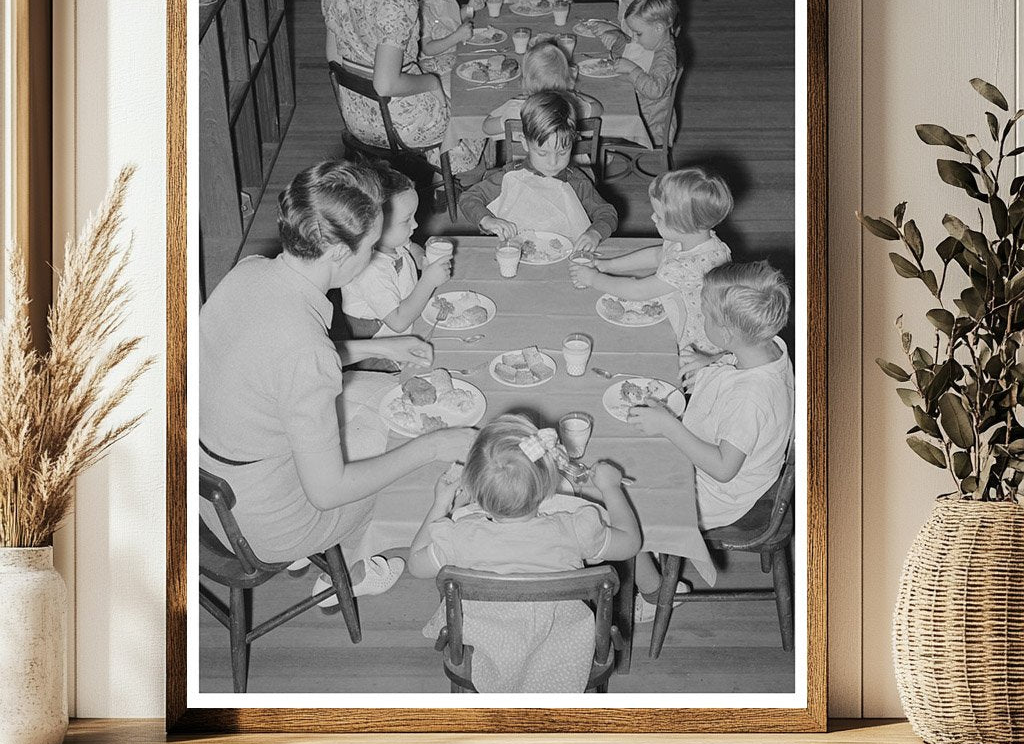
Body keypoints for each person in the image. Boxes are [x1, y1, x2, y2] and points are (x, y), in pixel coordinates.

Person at [199, 160, 474, 597]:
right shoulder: (304, 349)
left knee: (380, 402)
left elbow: (275, 366)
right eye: (369, 248)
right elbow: (329, 491)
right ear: (342, 254)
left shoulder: (249, 271)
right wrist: (433, 447)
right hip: (262, 526)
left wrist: (379, 348)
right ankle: (355, 567)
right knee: (405, 453)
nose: (372, 256)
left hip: (207, 489)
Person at [408, 414, 641, 693]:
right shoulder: (574, 529)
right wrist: (611, 488)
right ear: (547, 486)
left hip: (487, 641)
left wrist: (439, 504)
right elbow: (631, 544)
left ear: (472, 490)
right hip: (563, 644)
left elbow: (415, 564)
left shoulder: (460, 536)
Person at [624, 261, 795, 622]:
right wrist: (712, 358)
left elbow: (722, 468)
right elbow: (741, 353)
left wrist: (669, 426)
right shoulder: (770, 345)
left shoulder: (751, 399)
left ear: (729, 331)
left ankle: (653, 590)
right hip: (739, 465)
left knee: (623, 506)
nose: (700, 319)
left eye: (704, 314)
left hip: (720, 494)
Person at [568, 168, 733, 375]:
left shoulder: (690, 266)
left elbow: (637, 291)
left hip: (700, 351)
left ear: (686, 225)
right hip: (683, 322)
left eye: (661, 217)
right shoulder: (695, 240)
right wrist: (608, 265)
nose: (652, 218)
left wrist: (594, 278)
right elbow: (657, 256)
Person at [320, 0, 478, 173]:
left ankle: (432, 174)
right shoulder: (396, 0)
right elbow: (385, 85)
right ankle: (457, 175)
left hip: (356, 117)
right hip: (400, 123)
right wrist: (431, 83)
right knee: (475, 97)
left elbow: (334, 58)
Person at [460, 91, 617, 255]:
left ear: (573, 143)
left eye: (562, 152)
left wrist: (595, 233)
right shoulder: (511, 175)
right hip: (516, 254)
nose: (553, 162)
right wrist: (487, 220)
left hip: (566, 256)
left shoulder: (576, 181)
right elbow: (469, 198)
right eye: (543, 153)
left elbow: (607, 213)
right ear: (525, 144)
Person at [337, 164, 452, 372]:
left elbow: (410, 247)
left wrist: (421, 258)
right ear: (375, 225)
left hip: (408, 326)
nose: (415, 225)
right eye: (407, 220)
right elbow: (397, 322)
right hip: (383, 355)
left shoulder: (390, 240)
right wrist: (427, 281)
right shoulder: (369, 270)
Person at [599, 0, 680, 144]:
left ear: (658, 28)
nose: (635, 38)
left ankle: (602, 151)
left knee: (598, 114)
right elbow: (632, 49)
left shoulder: (665, 58)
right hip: (639, 107)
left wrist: (632, 69)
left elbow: (654, 90)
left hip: (649, 125)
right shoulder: (656, 42)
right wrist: (618, 41)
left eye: (638, 33)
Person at [481, 41, 603, 138]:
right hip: (568, 166)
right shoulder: (572, 105)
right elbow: (597, 107)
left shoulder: (517, 108)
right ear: (566, 77)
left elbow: (486, 127)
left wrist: (505, 106)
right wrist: (574, 93)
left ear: (525, 81)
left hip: (525, 167)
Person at [398, 0, 487, 82]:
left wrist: (471, 7)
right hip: (435, 67)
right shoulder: (416, 9)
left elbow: (454, 19)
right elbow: (427, 49)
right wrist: (457, 36)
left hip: (456, 53)